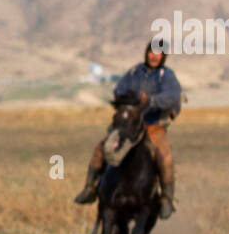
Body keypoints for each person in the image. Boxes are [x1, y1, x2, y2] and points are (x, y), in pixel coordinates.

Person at [74, 39, 182, 218]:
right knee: (102, 148)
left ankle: (166, 199)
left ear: (163, 56)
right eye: (151, 52)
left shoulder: (166, 76)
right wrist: (129, 99)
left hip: (153, 127)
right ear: (146, 53)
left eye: (158, 53)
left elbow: (171, 97)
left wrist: (151, 101)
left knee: (164, 155)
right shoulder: (134, 72)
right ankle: (90, 187)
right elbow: (119, 89)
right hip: (129, 126)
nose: (154, 56)